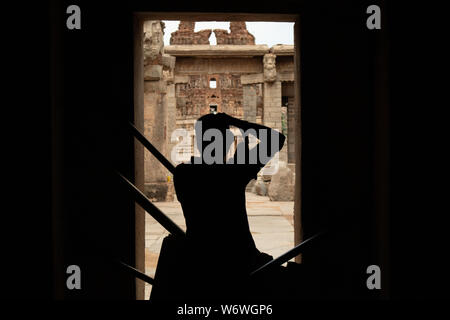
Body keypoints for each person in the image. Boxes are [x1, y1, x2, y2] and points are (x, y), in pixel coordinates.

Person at [172, 112, 287, 300]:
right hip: (239, 261)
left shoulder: (183, 174)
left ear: (199, 143)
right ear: (226, 143)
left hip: (199, 261)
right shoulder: (234, 172)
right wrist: (236, 122)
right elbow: (276, 139)